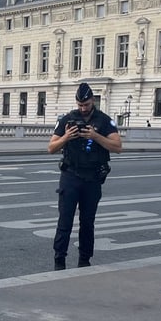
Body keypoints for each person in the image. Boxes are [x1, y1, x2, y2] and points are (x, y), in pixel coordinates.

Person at [47, 82, 122, 271]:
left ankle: (84, 260)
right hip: (71, 175)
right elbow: (51, 148)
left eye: (86, 105)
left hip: (92, 178)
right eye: (80, 105)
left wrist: (95, 136)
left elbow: (117, 147)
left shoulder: (104, 120)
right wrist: (66, 137)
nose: (83, 109)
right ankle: (59, 260)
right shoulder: (68, 120)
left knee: (87, 222)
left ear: (93, 101)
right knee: (65, 220)